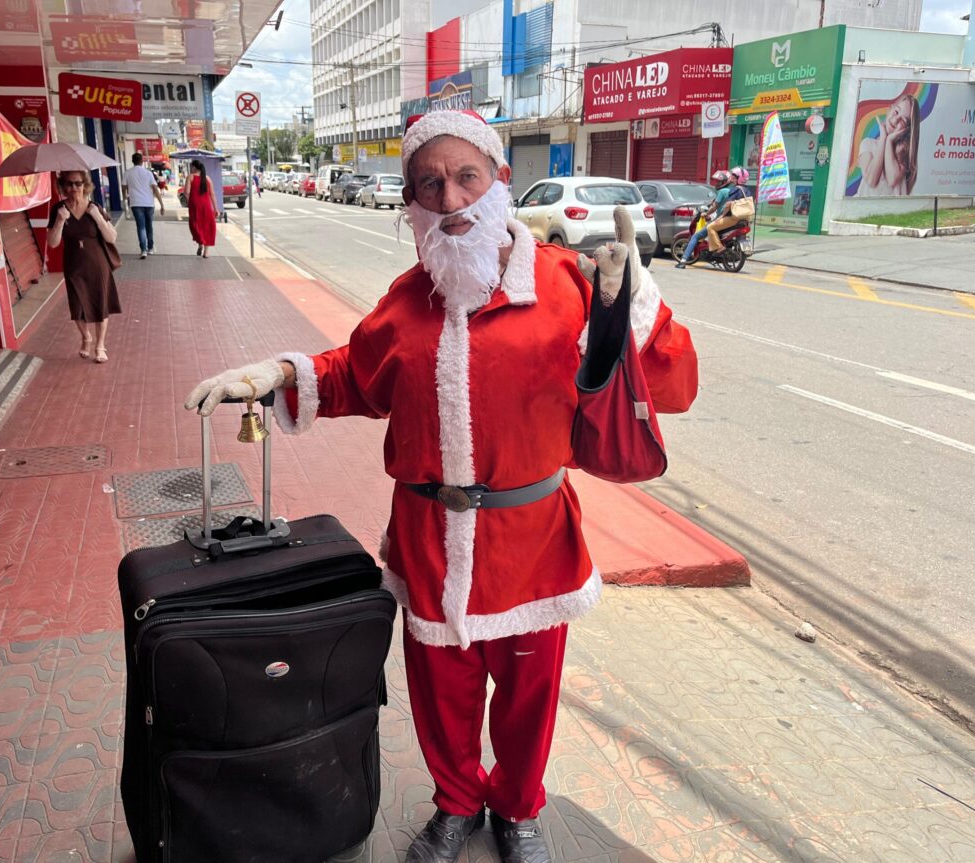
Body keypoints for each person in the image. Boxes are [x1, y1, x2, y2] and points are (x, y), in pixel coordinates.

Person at [184, 111, 692, 863]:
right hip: (428, 546)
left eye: (465, 178)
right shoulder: (407, 298)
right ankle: (456, 801)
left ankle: (517, 811)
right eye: (430, 184)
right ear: (413, 202)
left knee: (527, 702)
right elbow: (354, 373)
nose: (450, 199)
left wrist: (634, 309)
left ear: (498, 184)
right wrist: (281, 375)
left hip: (532, 547)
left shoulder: (566, 285)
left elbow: (671, 386)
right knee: (441, 699)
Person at [46, 171, 121, 363]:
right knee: (77, 304)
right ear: (63, 187)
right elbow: (53, 243)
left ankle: (100, 345)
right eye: (69, 184)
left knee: (101, 303)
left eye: (78, 184)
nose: (73, 189)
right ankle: (86, 336)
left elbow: (112, 237)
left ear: (85, 185)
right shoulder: (58, 210)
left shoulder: (94, 207)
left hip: (98, 265)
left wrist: (97, 216)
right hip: (74, 265)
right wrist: (60, 221)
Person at [856, 93, 919, 196]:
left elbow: (892, 179)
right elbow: (871, 181)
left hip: (892, 211)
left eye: (903, 120)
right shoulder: (868, 144)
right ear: (890, 109)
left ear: (907, 130)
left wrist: (889, 141)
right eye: (896, 112)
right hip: (865, 209)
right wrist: (883, 139)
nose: (895, 120)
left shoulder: (903, 153)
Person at [675, 169, 734, 269]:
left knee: (695, 236)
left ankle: (683, 261)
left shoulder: (723, 192)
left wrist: (706, 213)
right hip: (730, 219)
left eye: (719, 182)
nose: (716, 184)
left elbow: (714, 207)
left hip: (721, 219)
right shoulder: (733, 190)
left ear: (725, 182)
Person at [122, 152, 165, 260]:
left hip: (136, 203)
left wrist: (125, 199)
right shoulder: (148, 173)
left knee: (141, 227)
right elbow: (155, 189)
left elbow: (124, 188)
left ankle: (143, 250)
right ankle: (150, 248)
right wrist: (162, 204)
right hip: (149, 203)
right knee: (149, 226)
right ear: (142, 161)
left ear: (132, 161)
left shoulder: (127, 173)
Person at [704, 166, 752, 254]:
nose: (732, 179)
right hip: (745, 219)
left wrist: (721, 216)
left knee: (710, 227)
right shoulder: (747, 191)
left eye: (734, 177)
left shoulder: (735, 190)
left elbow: (728, 205)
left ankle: (719, 247)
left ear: (739, 179)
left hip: (733, 218)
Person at [186, 159, 218, 257]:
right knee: (208, 227)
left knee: (196, 226)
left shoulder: (190, 177)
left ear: (194, 167)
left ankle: (200, 244)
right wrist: (216, 208)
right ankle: (206, 252)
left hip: (195, 206)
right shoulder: (207, 178)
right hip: (207, 206)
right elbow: (212, 194)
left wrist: (190, 203)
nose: (190, 168)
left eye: (191, 166)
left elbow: (187, 192)